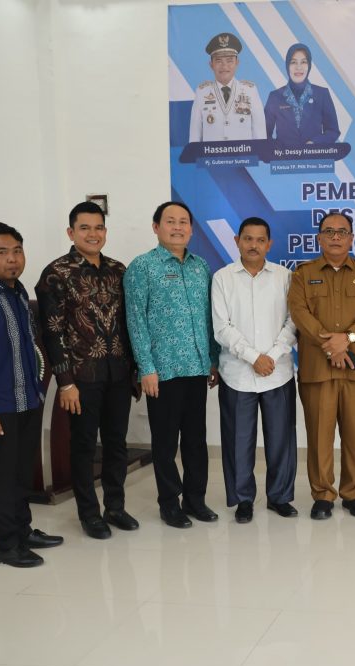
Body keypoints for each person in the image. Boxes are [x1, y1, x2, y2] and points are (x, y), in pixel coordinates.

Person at [35, 202, 141, 540]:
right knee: (83, 446)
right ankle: (89, 514)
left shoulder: (119, 270)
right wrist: (65, 382)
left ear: (105, 232)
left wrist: (135, 370)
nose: (92, 234)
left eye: (98, 228)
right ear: (71, 232)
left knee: (116, 443)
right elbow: (52, 332)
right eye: (85, 228)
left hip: (118, 373)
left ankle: (115, 507)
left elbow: (130, 324)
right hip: (81, 377)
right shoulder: (56, 273)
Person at [0, 224, 62, 567]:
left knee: (21, 472)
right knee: (2, 477)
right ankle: (6, 545)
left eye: (17, 250)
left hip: (27, 399)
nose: (12, 259)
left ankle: (23, 530)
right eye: (1, 252)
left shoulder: (18, 293)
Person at [124, 201, 220, 528]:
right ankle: (169, 503)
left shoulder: (200, 267)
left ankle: (196, 500)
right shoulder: (142, 267)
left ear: (191, 229)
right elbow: (136, 320)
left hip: (196, 367)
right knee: (165, 443)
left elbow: (208, 318)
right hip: (162, 371)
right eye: (170, 221)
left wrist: (212, 359)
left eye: (183, 222)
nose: (177, 227)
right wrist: (146, 367)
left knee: (195, 440)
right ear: (156, 227)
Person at [289, 213, 355, 520]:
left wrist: (348, 338)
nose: (335, 237)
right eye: (328, 231)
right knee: (319, 436)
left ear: (351, 238)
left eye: (342, 232)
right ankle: (323, 494)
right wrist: (331, 344)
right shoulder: (303, 274)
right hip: (317, 368)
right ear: (319, 238)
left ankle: (354, 493)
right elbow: (299, 312)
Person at [211, 217, 298, 524]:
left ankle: (280, 497)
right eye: (247, 239)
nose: (253, 245)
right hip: (237, 373)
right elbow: (222, 327)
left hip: (278, 371)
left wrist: (270, 356)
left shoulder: (285, 276)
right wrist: (252, 357)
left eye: (260, 240)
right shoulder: (222, 278)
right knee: (238, 440)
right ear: (237, 241)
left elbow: (293, 321)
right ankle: (243, 499)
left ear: (269, 244)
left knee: (281, 439)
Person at [189, 32, 266, 142]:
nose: (224, 66)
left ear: (237, 62)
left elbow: (260, 134)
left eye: (229, 61)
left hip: (243, 153)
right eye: (218, 61)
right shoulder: (202, 92)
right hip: (212, 153)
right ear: (211, 64)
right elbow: (194, 136)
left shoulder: (250, 91)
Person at [264, 43, 340, 145]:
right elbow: (264, 134)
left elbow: (333, 131)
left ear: (309, 66)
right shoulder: (275, 97)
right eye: (293, 62)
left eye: (303, 62)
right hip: (284, 155)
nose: (298, 67)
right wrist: (278, 150)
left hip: (314, 154)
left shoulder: (322, 94)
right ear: (287, 65)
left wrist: (314, 143)